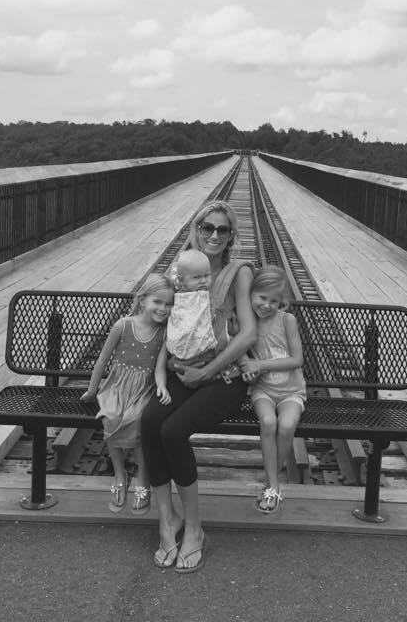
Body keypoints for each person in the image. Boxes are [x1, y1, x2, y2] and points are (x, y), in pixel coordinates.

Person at [141, 200, 256, 573]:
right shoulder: (181, 270)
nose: (214, 235)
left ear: (231, 235)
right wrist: (166, 367)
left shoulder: (238, 273)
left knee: (173, 431)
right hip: (185, 371)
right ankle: (167, 520)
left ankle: (194, 528)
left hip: (225, 376)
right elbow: (162, 320)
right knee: (150, 422)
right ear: (197, 229)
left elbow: (248, 334)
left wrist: (207, 373)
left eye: (223, 229)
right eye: (208, 227)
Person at [81, 274, 173, 515]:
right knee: (110, 417)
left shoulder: (165, 333)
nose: (163, 309)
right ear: (142, 300)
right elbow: (102, 360)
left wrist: (162, 386)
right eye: (158, 302)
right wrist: (92, 390)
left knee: (139, 420)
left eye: (169, 304)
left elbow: (160, 367)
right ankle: (120, 474)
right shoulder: (123, 325)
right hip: (117, 386)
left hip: (144, 388)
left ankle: (143, 478)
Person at [238, 266, 306, 514]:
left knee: (287, 425)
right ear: (251, 294)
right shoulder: (247, 322)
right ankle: (274, 486)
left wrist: (260, 365)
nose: (266, 305)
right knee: (268, 422)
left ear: (281, 302)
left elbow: (297, 360)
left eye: (274, 301)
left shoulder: (286, 320)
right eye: (262, 297)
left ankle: (271, 481)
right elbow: (238, 350)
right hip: (263, 390)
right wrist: (246, 366)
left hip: (291, 392)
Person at [166, 249, 217, 363]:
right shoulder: (181, 298)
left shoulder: (203, 294)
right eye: (197, 277)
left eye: (207, 275)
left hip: (203, 347)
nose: (203, 281)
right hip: (185, 344)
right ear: (181, 280)